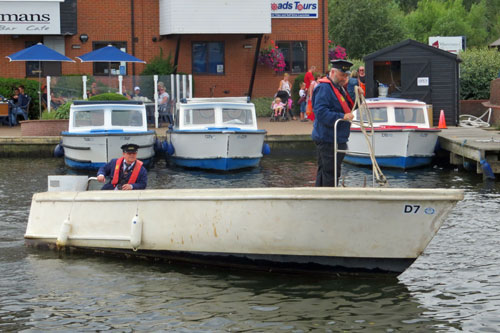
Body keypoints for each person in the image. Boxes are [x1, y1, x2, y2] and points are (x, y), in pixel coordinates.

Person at [311, 59, 355, 187]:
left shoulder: (339, 88)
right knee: (330, 172)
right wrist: (342, 116)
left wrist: (356, 92)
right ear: (333, 72)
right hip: (328, 137)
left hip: (337, 137)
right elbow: (321, 113)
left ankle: (322, 198)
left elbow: (348, 107)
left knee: (328, 171)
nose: (344, 78)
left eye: (346, 75)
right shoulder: (324, 88)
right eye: (342, 75)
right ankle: (328, 200)